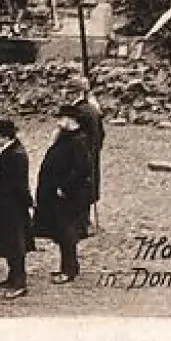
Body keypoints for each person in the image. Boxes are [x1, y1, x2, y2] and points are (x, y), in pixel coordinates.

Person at [33, 105, 94, 284]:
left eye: (61, 118)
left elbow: (82, 169)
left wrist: (65, 187)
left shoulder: (79, 140)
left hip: (68, 196)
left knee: (67, 232)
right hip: (58, 194)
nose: (58, 122)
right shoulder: (65, 137)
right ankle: (67, 266)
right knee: (61, 231)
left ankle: (69, 270)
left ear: (70, 120)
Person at [0, 118, 34, 300]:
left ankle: (19, 283)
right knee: (10, 243)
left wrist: (28, 203)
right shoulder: (11, 151)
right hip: (6, 205)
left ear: (3, 136)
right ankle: (12, 276)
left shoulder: (16, 155)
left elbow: (20, 184)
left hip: (12, 207)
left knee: (15, 245)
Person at [70, 75, 105, 235]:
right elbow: (102, 133)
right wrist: (96, 149)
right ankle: (85, 221)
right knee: (88, 185)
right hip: (92, 153)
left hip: (80, 155)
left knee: (78, 185)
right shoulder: (93, 110)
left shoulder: (78, 112)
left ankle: (80, 224)